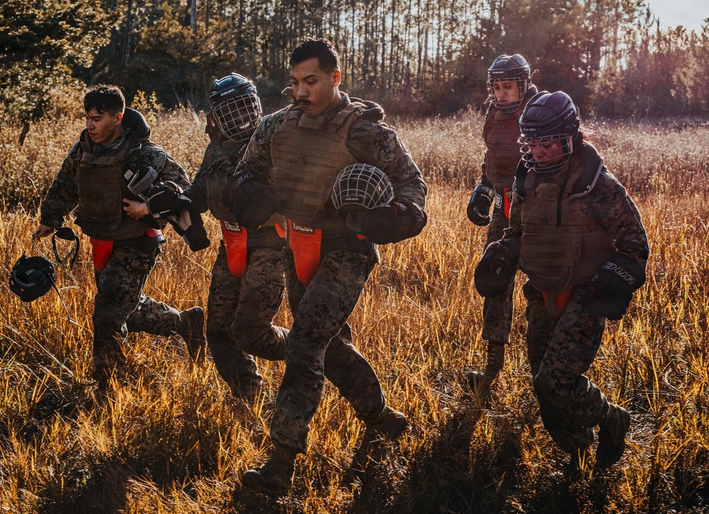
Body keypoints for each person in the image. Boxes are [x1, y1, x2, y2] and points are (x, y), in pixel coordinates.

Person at [226, 37, 428, 497]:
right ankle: (382, 418)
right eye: (294, 82)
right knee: (329, 347)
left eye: (311, 82)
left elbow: (414, 191)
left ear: (336, 78)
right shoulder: (276, 126)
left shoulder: (365, 133)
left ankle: (280, 464)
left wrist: (391, 218)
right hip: (296, 246)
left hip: (346, 250)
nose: (300, 91)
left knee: (305, 342)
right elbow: (246, 171)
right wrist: (245, 193)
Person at [476, 91, 648, 470]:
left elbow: (636, 244)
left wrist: (616, 276)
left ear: (571, 137)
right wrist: (501, 255)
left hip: (585, 297)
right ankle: (580, 460)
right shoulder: (527, 181)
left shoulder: (599, 186)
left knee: (554, 381)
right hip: (540, 293)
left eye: (548, 143)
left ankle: (611, 419)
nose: (538, 152)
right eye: (532, 143)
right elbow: (516, 234)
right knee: (544, 390)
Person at [33, 85, 207, 393]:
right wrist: (50, 218)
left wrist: (149, 206)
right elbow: (65, 184)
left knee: (108, 314)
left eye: (97, 118)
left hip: (138, 241)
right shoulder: (84, 147)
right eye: (87, 117)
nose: (90, 125)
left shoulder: (143, 152)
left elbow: (184, 188)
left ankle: (109, 390)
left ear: (118, 117)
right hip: (102, 239)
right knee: (128, 309)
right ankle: (186, 323)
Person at [181, 73, 289, 402]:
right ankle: (250, 397)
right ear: (217, 116)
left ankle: (316, 348)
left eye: (244, 108)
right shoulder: (215, 150)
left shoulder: (276, 137)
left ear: (255, 106)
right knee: (218, 333)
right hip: (232, 246)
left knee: (251, 332)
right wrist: (168, 200)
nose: (239, 117)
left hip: (272, 244)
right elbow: (198, 194)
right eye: (230, 111)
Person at [465, 53, 539, 399]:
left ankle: (546, 369)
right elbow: (489, 156)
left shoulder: (541, 112)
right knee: (494, 277)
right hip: (502, 205)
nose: (502, 93)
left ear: (522, 85)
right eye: (497, 86)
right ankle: (493, 365)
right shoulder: (493, 111)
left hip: (537, 209)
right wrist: (483, 189)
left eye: (508, 86)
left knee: (542, 284)